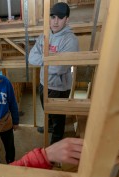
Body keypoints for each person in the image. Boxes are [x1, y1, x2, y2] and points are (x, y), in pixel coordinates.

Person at [29, 2, 79, 144]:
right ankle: (50, 126)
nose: (55, 21)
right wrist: (49, 60)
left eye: (60, 17)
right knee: (46, 109)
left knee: (58, 117)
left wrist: (43, 60)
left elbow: (60, 69)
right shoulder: (45, 35)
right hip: (43, 82)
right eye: (53, 17)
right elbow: (31, 57)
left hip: (59, 88)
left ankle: (56, 140)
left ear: (67, 20)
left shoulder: (70, 40)